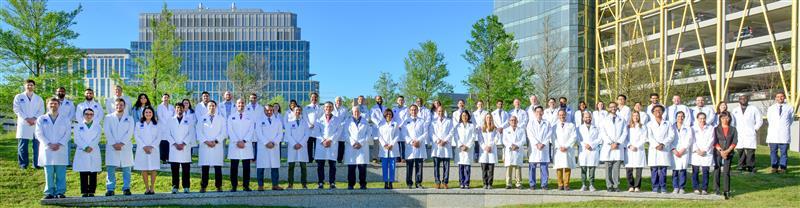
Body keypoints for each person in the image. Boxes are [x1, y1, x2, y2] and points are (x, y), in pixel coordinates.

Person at [36, 97, 71, 199]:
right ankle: (49, 192)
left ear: (59, 105)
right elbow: (38, 133)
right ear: (47, 105)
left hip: (61, 148)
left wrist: (59, 143)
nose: (53, 105)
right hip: (47, 149)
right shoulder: (41, 119)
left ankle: (60, 192)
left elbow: (68, 133)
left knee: (61, 173)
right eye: (51, 104)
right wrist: (49, 144)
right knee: (49, 173)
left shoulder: (65, 119)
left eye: (55, 104)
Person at [103, 98, 134, 196]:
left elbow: (130, 132)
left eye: (121, 105)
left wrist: (122, 143)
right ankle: (110, 188)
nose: (119, 106)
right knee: (111, 169)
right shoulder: (108, 117)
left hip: (125, 146)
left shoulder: (129, 118)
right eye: (117, 105)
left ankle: (126, 188)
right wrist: (114, 143)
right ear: (114, 106)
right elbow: (107, 131)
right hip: (112, 146)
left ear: (124, 106)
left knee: (127, 169)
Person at [196, 101, 226, 193]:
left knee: (218, 168)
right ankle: (203, 186)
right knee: (205, 168)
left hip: (217, 145)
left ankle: (219, 186)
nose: (211, 107)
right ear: (207, 107)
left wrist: (216, 141)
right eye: (210, 106)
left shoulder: (221, 119)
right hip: (205, 146)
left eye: (213, 106)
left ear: (216, 107)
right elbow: (199, 131)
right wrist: (206, 142)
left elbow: (224, 132)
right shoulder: (202, 118)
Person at [14, 79, 44, 169]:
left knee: (37, 146)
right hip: (24, 123)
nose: (29, 86)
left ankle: (36, 164)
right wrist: (27, 119)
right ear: (24, 86)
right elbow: (16, 109)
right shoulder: (19, 97)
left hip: (35, 123)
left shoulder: (39, 98)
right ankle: (23, 165)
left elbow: (41, 110)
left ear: (34, 86)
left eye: (31, 85)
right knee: (23, 146)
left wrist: (34, 119)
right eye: (28, 85)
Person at [227, 99, 255, 192]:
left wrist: (244, 141)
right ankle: (233, 186)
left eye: (242, 103)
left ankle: (246, 186)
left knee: (246, 168)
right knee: (234, 167)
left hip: (246, 145)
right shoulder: (231, 117)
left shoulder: (250, 117)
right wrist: (237, 141)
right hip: (235, 145)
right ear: (236, 105)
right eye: (239, 103)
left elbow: (251, 130)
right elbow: (230, 130)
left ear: (245, 105)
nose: (241, 105)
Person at [73, 108, 101, 197]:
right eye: (86, 114)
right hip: (82, 150)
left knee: (93, 172)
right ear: (83, 115)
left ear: (93, 116)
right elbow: (76, 139)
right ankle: (84, 191)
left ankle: (92, 191)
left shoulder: (98, 126)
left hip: (93, 150)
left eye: (91, 114)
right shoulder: (78, 126)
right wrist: (85, 147)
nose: (88, 116)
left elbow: (98, 138)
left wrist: (91, 146)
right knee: (83, 172)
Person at [255, 105, 284, 191]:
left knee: (274, 166)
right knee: (261, 167)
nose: (269, 112)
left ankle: (275, 185)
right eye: (267, 110)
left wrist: (274, 142)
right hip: (263, 146)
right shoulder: (259, 121)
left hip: (274, 146)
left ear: (273, 110)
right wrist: (266, 142)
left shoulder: (278, 121)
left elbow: (280, 134)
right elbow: (259, 133)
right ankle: (260, 185)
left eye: (271, 110)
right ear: (264, 111)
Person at [166, 103, 193, 194]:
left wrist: (183, 143)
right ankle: (175, 187)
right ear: (175, 109)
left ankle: (186, 187)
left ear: (184, 109)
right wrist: (175, 144)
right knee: (174, 169)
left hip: (185, 147)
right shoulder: (170, 120)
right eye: (177, 108)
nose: (179, 110)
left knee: (186, 169)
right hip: (174, 147)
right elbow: (167, 134)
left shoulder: (189, 120)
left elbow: (191, 133)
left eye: (181, 108)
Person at [730, 94, 761, 173]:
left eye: (744, 98)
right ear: (738, 100)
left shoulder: (754, 108)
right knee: (740, 150)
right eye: (741, 98)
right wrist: (733, 131)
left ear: (748, 99)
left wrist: (755, 129)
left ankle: (751, 166)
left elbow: (759, 120)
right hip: (739, 132)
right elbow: (732, 122)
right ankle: (741, 165)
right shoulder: (735, 110)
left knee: (750, 150)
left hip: (750, 132)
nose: (743, 100)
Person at [600, 102, 627, 192]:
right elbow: (603, 133)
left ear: (617, 108)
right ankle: (609, 185)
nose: (613, 108)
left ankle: (616, 185)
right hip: (608, 146)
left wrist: (618, 143)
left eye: (615, 107)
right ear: (608, 108)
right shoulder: (604, 120)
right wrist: (611, 143)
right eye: (611, 107)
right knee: (608, 168)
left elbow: (624, 132)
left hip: (618, 146)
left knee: (616, 168)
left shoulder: (622, 119)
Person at [647, 105, 674, 193]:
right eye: (655, 110)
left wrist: (663, 144)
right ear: (653, 113)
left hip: (664, 148)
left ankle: (663, 187)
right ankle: (655, 187)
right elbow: (649, 136)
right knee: (654, 169)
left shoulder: (668, 123)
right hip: (654, 148)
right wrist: (656, 145)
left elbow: (671, 135)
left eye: (660, 110)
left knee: (663, 169)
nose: (657, 111)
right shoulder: (649, 124)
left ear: (663, 112)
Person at [133, 106, 160, 195]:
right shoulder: (138, 124)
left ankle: (152, 188)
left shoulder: (157, 124)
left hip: (153, 149)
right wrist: (144, 146)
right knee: (143, 168)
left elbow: (158, 137)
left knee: (153, 169)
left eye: (150, 112)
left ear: (152, 114)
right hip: (142, 149)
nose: (148, 114)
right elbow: (137, 136)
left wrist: (151, 146)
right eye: (146, 112)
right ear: (143, 114)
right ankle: (147, 188)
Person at [343, 107, 371, 190]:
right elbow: (345, 134)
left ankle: (363, 184)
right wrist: (353, 142)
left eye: (358, 111)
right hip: (351, 146)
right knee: (351, 167)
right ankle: (351, 184)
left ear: (360, 112)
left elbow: (368, 134)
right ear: (352, 112)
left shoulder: (365, 122)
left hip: (362, 147)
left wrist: (361, 143)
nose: (356, 113)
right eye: (355, 111)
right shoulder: (348, 122)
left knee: (362, 167)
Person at [315, 102, 341, 189]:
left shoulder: (337, 119)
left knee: (332, 165)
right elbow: (316, 132)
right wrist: (323, 141)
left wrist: (330, 140)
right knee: (320, 165)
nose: (328, 108)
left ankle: (332, 182)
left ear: (332, 108)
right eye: (326, 107)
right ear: (324, 108)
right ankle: (320, 182)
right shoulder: (319, 119)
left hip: (332, 144)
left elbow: (338, 131)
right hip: (321, 144)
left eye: (330, 107)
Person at [768, 92, 794, 173]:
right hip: (773, 134)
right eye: (778, 96)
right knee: (773, 152)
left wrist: (783, 126)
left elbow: (791, 120)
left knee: (784, 152)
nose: (780, 98)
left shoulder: (790, 108)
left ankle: (783, 168)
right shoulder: (771, 108)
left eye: (781, 96)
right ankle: (774, 167)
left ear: (784, 97)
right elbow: (769, 120)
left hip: (784, 133)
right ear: (775, 98)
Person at [526, 106, 551, 190]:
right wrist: (536, 143)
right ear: (534, 113)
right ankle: (532, 184)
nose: (539, 113)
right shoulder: (531, 123)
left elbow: (549, 134)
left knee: (544, 167)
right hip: (534, 148)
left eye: (540, 111)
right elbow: (530, 134)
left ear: (543, 112)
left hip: (544, 147)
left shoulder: (547, 123)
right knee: (532, 167)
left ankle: (544, 184)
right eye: (537, 112)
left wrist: (543, 143)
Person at [286, 106, 311, 189]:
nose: (298, 112)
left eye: (300, 110)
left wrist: (300, 144)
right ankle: (290, 184)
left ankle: (304, 184)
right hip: (292, 147)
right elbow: (288, 135)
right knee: (291, 166)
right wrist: (294, 144)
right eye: (296, 110)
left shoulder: (305, 122)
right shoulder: (289, 122)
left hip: (302, 147)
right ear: (293, 111)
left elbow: (307, 134)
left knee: (303, 166)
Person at [404, 104, 428, 189]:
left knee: (419, 166)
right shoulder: (406, 121)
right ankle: (409, 183)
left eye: (415, 110)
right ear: (409, 111)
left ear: (417, 111)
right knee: (409, 166)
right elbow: (404, 134)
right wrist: (411, 142)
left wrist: (418, 141)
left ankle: (418, 183)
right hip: (410, 146)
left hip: (419, 145)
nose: (413, 111)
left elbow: (425, 133)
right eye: (412, 110)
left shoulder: (422, 121)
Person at [714, 112, 737, 199]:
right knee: (717, 170)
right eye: (723, 118)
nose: (725, 120)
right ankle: (716, 189)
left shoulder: (733, 129)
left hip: (729, 152)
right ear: (720, 118)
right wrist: (721, 151)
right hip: (718, 152)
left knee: (726, 172)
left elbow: (735, 141)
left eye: (727, 118)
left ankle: (726, 190)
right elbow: (715, 141)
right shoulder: (716, 129)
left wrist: (727, 151)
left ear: (730, 119)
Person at [430, 106, 454, 189]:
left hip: (446, 145)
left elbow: (451, 132)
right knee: (436, 166)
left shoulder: (449, 121)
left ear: (444, 112)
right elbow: (431, 133)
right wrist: (438, 141)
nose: (440, 113)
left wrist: (445, 141)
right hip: (437, 146)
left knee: (446, 166)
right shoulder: (433, 122)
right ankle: (437, 182)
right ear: (437, 112)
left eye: (442, 111)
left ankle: (445, 182)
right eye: (439, 111)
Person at [377, 109, 401, 189]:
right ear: (384, 115)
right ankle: (385, 182)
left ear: (392, 115)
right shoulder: (381, 125)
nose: (388, 116)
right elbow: (379, 136)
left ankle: (390, 182)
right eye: (387, 115)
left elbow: (397, 135)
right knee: (384, 166)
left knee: (392, 166)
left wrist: (391, 144)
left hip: (392, 148)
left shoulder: (395, 124)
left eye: (390, 114)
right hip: (384, 149)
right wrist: (384, 144)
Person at [553, 109, 576, 191]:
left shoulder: (571, 125)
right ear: (558, 116)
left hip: (567, 149)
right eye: (560, 115)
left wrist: (566, 146)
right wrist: (559, 146)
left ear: (566, 115)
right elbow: (553, 138)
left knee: (567, 167)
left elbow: (573, 137)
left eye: (563, 115)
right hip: (558, 149)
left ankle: (566, 184)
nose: (562, 116)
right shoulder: (554, 126)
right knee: (559, 167)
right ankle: (560, 184)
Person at [577, 111, 600, 192]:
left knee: (592, 169)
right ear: (583, 118)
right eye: (586, 117)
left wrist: (592, 145)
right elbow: (578, 139)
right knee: (583, 168)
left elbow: (599, 138)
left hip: (593, 150)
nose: (588, 118)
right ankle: (583, 184)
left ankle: (591, 185)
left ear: (591, 118)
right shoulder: (579, 128)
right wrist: (585, 145)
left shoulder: (596, 128)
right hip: (583, 150)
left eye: (589, 117)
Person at [671, 112, 694, 194]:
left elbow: (689, 139)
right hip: (674, 151)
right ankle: (675, 187)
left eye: (682, 116)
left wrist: (683, 149)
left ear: (684, 118)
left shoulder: (688, 128)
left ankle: (682, 187)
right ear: (676, 117)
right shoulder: (671, 127)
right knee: (675, 170)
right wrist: (673, 149)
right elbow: (670, 138)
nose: (680, 118)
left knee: (683, 169)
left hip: (684, 151)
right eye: (678, 116)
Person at [691, 113, 714, 195]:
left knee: (705, 171)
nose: (702, 120)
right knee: (695, 171)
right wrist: (697, 150)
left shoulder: (711, 128)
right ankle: (696, 188)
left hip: (706, 153)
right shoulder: (693, 128)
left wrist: (705, 150)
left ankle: (704, 188)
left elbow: (711, 140)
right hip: (696, 153)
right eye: (700, 118)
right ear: (697, 119)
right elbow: (692, 140)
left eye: (704, 118)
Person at [625, 111, 647, 192]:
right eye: (634, 115)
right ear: (631, 117)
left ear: (639, 117)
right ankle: (630, 186)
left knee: (638, 169)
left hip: (639, 149)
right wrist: (629, 146)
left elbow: (644, 138)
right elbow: (625, 138)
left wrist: (636, 146)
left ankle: (637, 186)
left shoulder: (643, 127)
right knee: (629, 169)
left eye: (637, 115)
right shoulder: (628, 127)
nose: (635, 117)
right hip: (629, 149)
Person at [454, 110, 476, 189]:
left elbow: (473, 137)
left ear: (468, 116)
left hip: (468, 148)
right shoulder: (457, 126)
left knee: (467, 166)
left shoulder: (472, 126)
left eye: (466, 115)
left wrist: (467, 146)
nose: (464, 117)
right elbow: (456, 136)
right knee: (461, 166)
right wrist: (461, 145)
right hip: (460, 149)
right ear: (461, 117)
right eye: (463, 115)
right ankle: (461, 182)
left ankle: (466, 183)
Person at [503, 116, 526, 190]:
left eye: (515, 120)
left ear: (517, 121)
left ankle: (518, 183)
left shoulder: (521, 130)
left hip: (517, 150)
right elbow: (504, 140)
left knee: (518, 168)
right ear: (509, 121)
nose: (513, 121)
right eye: (511, 120)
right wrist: (511, 145)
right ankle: (508, 183)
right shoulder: (506, 130)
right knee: (509, 168)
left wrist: (517, 145)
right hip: (510, 150)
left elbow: (523, 140)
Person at [479, 113, 500, 189]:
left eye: (490, 117)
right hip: (484, 151)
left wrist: (490, 146)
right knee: (484, 169)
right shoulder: (482, 129)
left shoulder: (494, 128)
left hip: (492, 150)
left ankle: (490, 184)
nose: (488, 119)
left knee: (491, 169)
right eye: (487, 117)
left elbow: (496, 138)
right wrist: (485, 147)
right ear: (485, 119)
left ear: (491, 119)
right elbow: (480, 139)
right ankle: (485, 183)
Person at [156, 93, 175, 163]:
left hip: (170, 126)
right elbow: (160, 117)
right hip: (162, 127)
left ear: (169, 99)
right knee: (163, 142)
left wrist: (171, 124)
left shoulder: (171, 107)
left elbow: (174, 115)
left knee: (169, 142)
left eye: (167, 97)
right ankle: (163, 158)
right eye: (164, 98)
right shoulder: (159, 106)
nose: (166, 99)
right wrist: (167, 124)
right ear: (162, 99)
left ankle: (168, 157)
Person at [305, 92, 323, 162]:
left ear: (317, 98)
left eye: (315, 97)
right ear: (310, 98)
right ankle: (309, 159)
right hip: (309, 129)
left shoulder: (321, 108)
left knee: (317, 145)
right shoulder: (307, 107)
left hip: (317, 129)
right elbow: (305, 117)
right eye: (312, 97)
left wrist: (319, 125)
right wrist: (309, 124)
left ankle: (317, 159)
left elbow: (322, 117)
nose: (314, 98)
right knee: (309, 145)